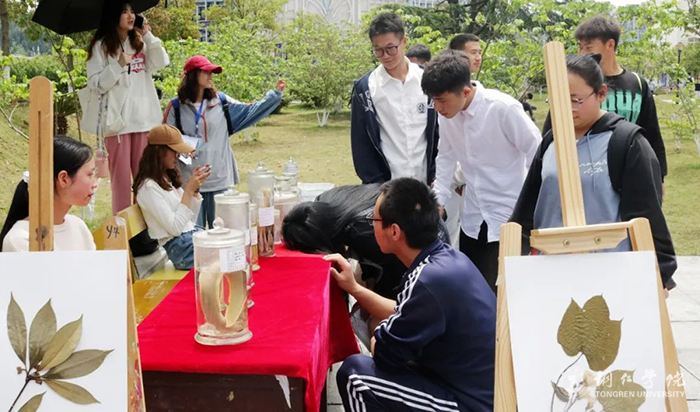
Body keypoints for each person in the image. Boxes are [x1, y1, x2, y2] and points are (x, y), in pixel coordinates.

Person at [327, 178, 496, 412]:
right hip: (477, 391)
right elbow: (402, 311)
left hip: (467, 403)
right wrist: (354, 288)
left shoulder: (427, 280)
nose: (371, 226)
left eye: (373, 220)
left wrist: (381, 332)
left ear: (394, 231)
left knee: (355, 375)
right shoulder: (447, 260)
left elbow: (385, 354)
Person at [510, 54, 677, 290]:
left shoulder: (626, 142)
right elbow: (527, 210)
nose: (566, 108)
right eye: (557, 100)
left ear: (601, 93)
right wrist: (513, 261)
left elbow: (647, 215)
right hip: (551, 272)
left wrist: (660, 274)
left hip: (610, 274)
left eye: (575, 100)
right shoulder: (551, 141)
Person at [423, 51, 541, 292]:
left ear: (465, 92)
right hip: (473, 219)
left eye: (442, 100)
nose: (438, 107)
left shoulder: (502, 108)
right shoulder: (448, 115)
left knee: (509, 293)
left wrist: (531, 205)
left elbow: (537, 152)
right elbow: (445, 156)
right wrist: (439, 199)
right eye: (433, 100)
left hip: (509, 217)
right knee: (475, 290)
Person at [163, 55, 285, 228]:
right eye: (206, 71)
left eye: (212, 72)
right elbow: (165, 140)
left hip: (220, 180)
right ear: (193, 75)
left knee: (223, 234)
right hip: (190, 183)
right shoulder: (175, 107)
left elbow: (250, 111)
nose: (211, 75)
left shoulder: (221, 102)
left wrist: (274, 96)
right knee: (193, 235)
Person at [542, 15, 668, 182]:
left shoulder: (637, 83)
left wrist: (659, 177)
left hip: (629, 171)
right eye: (580, 47)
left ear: (610, 44)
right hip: (584, 174)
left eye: (589, 47)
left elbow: (652, 132)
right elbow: (551, 131)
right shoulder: (576, 85)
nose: (583, 54)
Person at [282, 184, 450, 299]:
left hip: (427, 252)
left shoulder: (362, 230)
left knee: (376, 322)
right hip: (428, 229)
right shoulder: (325, 200)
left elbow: (396, 283)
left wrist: (367, 298)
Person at [85, 1, 170, 215]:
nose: (131, 16)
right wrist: (118, 65)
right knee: (121, 186)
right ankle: (123, 229)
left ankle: (146, 228)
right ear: (113, 15)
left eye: (133, 11)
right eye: (124, 11)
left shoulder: (141, 43)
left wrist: (148, 34)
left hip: (144, 122)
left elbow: (161, 62)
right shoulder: (101, 47)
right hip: (118, 126)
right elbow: (95, 83)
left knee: (145, 184)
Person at [350, 12, 438, 185]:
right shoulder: (366, 88)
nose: (385, 56)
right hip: (387, 189)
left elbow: (441, 133)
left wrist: (437, 177)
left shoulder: (428, 79)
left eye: (391, 48)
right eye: (378, 50)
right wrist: (377, 188)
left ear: (404, 41)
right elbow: (361, 145)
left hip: (428, 184)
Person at [133, 125, 210, 270]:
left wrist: (194, 191)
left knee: (231, 243)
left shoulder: (165, 179)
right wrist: (188, 191)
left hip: (189, 239)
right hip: (180, 248)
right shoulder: (148, 187)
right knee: (227, 253)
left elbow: (189, 220)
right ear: (159, 151)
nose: (178, 156)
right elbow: (175, 229)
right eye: (174, 151)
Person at [1, 137, 98, 252]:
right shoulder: (21, 239)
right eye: (90, 175)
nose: (94, 184)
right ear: (63, 179)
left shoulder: (79, 227)